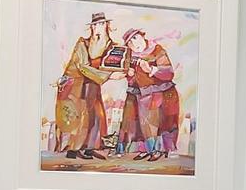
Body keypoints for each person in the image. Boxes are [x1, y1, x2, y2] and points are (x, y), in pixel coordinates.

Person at [52, 12, 117, 159]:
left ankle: (89, 147)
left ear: (107, 25)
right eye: (95, 25)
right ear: (92, 28)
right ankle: (74, 149)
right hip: (76, 85)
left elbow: (114, 62)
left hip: (93, 84)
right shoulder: (83, 43)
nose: (98, 27)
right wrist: (109, 75)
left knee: (96, 115)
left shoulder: (111, 46)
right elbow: (82, 66)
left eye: (101, 24)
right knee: (81, 116)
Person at [122, 29, 182, 161]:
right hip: (144, 95)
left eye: (136, 38)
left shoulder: (157, 50)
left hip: (163, 92)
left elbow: (168, 73)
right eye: (130, 42)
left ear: (143, 37)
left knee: (164, 123)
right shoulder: (130, 56)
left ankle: (164, 150)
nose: (134, 43)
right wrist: (129, 74)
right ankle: (148, 150)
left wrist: (150, 69)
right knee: (145, 124)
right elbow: (133, 80)